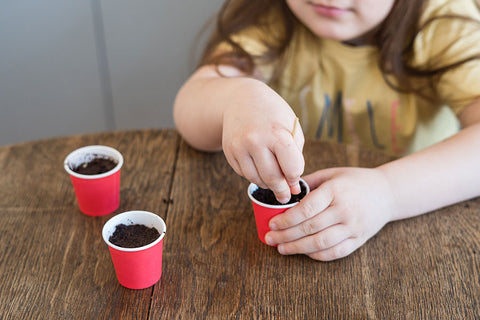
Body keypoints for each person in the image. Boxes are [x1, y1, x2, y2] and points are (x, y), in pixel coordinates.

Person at [173, 0, 480, 261]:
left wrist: (387, 192)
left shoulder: (442, 23)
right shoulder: (273, 15)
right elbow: (190, 107)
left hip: (418, 223)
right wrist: (234, 98)